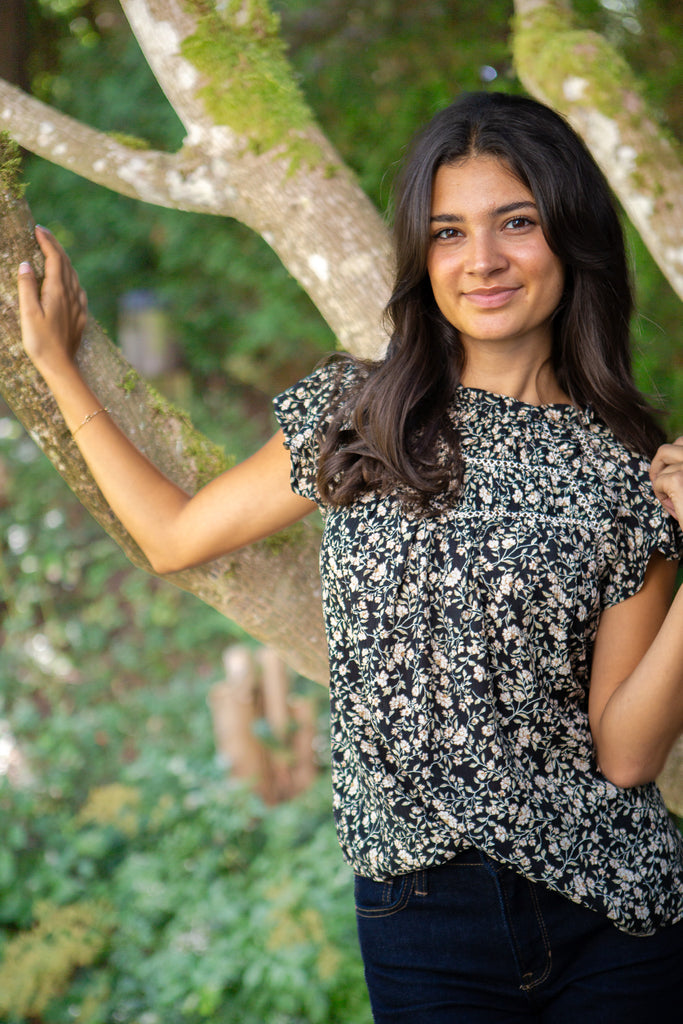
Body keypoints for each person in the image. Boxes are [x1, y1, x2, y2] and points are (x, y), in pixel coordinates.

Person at [17, 91, 683, 1021]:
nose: (481, 260)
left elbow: (624, 756)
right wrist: (56, 363)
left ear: (571, 235)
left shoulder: (622, 471)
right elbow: (173, 538)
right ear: (423, 256)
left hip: (614, 919)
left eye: (516, 223)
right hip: (422, 916)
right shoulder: (365, 414)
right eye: (448, 232)